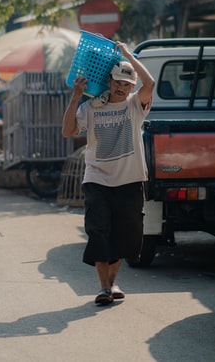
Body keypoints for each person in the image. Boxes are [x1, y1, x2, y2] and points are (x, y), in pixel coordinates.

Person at [62, 41, 155, 306]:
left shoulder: (135, 106)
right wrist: (76, 97)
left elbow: (150, 84)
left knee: (125, 235)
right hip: (97, 179)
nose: (121, 87)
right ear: (109, 81)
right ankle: (104, 288)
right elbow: (68, 131)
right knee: (99, 232)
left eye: (127, 84)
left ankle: (112, 284)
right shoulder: (91, 108)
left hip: (131, 180)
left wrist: (128, 55)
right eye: (117, 82)